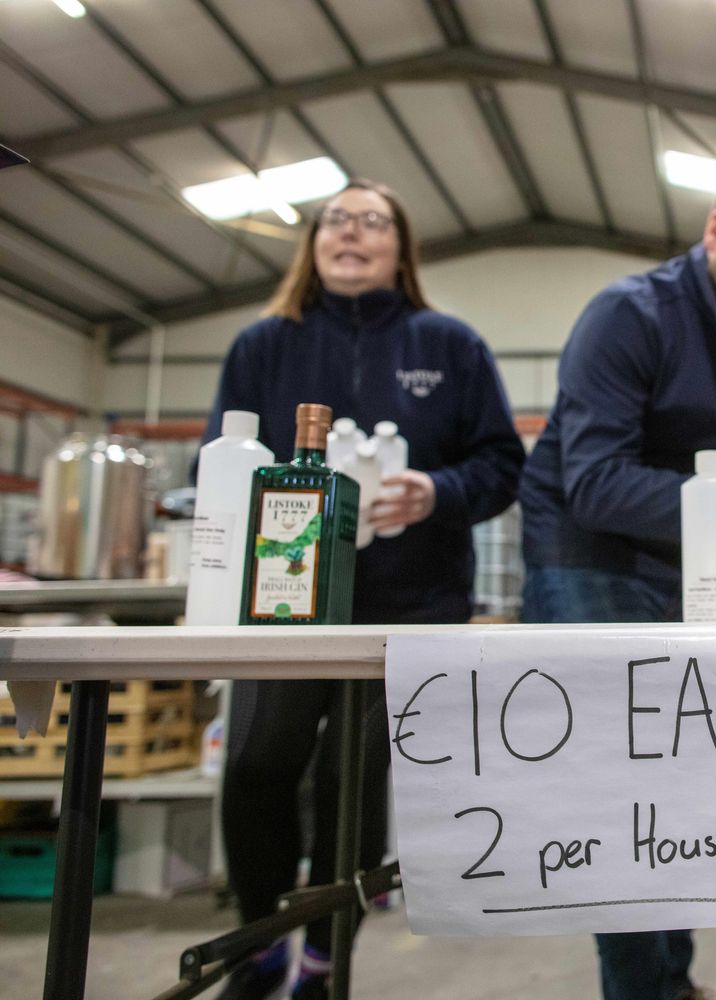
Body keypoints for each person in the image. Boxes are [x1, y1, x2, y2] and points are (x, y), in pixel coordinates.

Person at [518, 151, 716, 1000]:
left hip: (705, 565)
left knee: (690, 786)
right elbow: (593, 481)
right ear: (715, 230)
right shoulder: (628, 317)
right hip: (587, 555)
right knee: (625, 796)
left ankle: (673, 981)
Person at [206, 179, 527, 1000]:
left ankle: (320, 961)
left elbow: (501, 465)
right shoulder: (263, 346)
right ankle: (260, 948)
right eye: (336, 219)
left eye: (373, 221)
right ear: (312, 242)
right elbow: (223, 462)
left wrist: (436, 493)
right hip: (284, 605)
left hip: (406, 603)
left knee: (349, 787)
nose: (352, 232)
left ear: (400, 246)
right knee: (254, 766)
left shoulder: (449, 344)